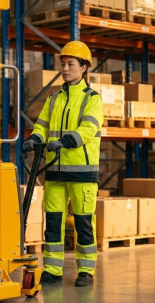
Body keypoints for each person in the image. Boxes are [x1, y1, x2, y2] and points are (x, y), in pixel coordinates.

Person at [23, 41, 103, 287]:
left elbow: (89, 128)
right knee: (54, 223)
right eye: (63, 64)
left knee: (83, 224)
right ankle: (53, 269)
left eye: (70, 64)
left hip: (82, 173)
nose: (65, 69)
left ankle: (86, 271)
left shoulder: (92, 99)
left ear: (84, 68)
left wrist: (66, 141)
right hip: (54, 172)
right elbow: (42, 126)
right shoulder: (53, 99)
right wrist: (35, 139)